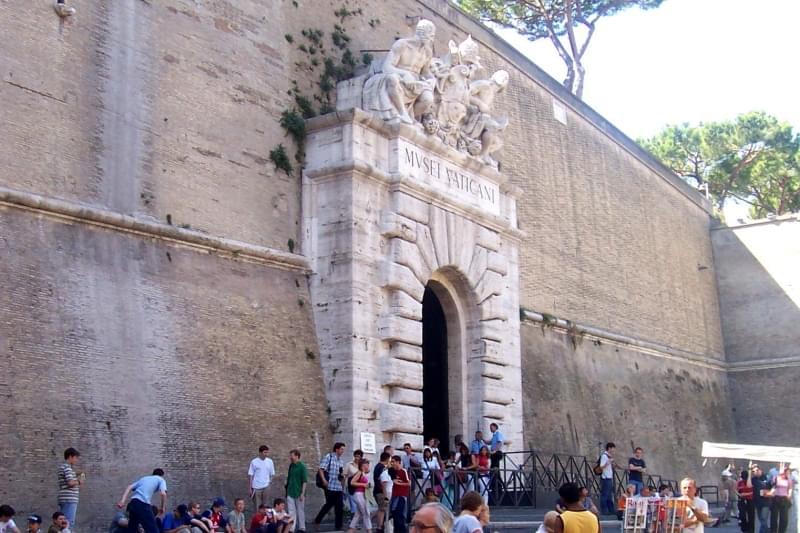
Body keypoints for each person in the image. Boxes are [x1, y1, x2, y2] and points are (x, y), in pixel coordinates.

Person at [362, 19, 436, 124]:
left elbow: (425, 72)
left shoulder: (427, 52)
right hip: (400, 77)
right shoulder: (402, 45)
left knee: (428, 99)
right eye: (431, 36)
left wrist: (432, 80)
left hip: (416, 84)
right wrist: (405, 74)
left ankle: (411, 117)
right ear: (422, 33)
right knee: (392, 79)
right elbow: (386, 67)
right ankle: (402, 113)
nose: (432, 40)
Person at [116, 468, 168, 533]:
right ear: (162, 475)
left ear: (153, 474)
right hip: (143, 504)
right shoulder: (161, 479)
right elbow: (163, 494)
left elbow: (129, 487)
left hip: (133, 503)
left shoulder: (144, 478)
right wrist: (162, 507)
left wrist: (122, 501)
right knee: (153, 530)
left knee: (132, 528)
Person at [313, 442, 346, 531]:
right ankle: (317, 521)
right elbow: (321, 469)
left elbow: (340, 473)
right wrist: (324, 481)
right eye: (342, 449)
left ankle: (338, 526)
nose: (343, 451)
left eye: (343, 449)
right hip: (329, 486)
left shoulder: (341, 461)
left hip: (338, 486)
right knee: (328, 505)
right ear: (337, 449)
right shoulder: (329, 457)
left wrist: (342, 478)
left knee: (339, 507)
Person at [58, 448, 83, 529]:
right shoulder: (67, 468)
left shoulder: (65, 468)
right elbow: (70, 482)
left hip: (66, 499)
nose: (76, 460)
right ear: (70, 456)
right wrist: (79, 481)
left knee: (64, 523)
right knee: (68, 523)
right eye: (76, 457)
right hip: (69, 499)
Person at [347, 459, 372, 533]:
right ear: (361, 465)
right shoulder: (359, 473)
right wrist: (364, 485)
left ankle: (351, 529)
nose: (367, 466)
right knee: (366, 513)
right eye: (365, 464)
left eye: (368, 464)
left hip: (362, 494)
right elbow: (352, 482)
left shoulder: (364, 473)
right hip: (358, 494)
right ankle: (369, 530)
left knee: (358, 514)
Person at [286, 450, 307, 533]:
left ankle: (302, 528)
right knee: (291, 511)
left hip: (299, 492)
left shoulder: (302, 466)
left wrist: (302, 493)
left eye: (292, 456)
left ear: (297, 456)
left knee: (300, 510)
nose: (290, 457)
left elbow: (304, 481)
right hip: (290, 491)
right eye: (290, 456)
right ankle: (291, 528)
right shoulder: (291, 465)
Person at [249, 446, 276, 511]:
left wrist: (269, 483)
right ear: (260, 453)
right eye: (265, 452)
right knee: (257, 506)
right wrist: (250, 488)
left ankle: (265, 520)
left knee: (265, 506)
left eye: (267, 452)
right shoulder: (254, 461)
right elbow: (251, 475)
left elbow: (272, 474)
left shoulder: (270, 461)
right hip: (256, 487)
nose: (266, 454)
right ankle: (258, 520)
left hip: (266, 486)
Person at [769, 466, 793, 533]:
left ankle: (782, 531)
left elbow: (790, 488)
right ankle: (773, 531)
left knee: (784, 518)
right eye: (785, 471)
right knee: (774, 517)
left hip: (784, 498)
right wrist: (778, 477)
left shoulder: (788, 479)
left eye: (787, 471)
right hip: (776, 497)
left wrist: (789, 495)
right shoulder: (776, 477)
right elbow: (773, 485)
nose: (786, 472)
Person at [390, 455, 411, 533]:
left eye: (393, 462)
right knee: (394, 513)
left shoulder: (403, 471)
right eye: (391, 462)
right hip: (394, 495)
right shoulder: (392, 471)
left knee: (399, 514)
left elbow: (408, 483)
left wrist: (398, 484)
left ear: (398, 462)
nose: (392, 463)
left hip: (401, 495)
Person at [373, 452, 392, 533]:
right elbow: (383, 482)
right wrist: (385, 495)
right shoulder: (382, 468)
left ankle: (379, 525)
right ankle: (379, 527)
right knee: (382, 510)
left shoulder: (377, 466)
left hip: (378, 491)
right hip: (381, 492)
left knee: (381, 510)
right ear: (387, 459)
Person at [751, 464, 771, 533]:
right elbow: (748, 485)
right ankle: (768, 530)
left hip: (766, 502)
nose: (755, 472)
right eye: (753, 471)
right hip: (757, 502)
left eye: (756, 470)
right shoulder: (753, 479)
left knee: (763, 518)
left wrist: (768, 492)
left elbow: (773, 487)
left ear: (760, 470)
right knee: (761, 520)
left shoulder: (767, 477)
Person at [598, 443, 616, 516]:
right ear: (609, 448)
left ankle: (611, 510)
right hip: (605, 478)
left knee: (609, 495)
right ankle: (604, 511)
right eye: (613, 448)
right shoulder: (604, 456)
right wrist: (608, 462)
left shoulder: (609, 456)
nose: (614, 450)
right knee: (605, 495)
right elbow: (601, 467)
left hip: (609, 477)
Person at [737, 469, 754, 533]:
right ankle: (744, 528)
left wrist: (745, 494)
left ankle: (751, 529)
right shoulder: (740, 482)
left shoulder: (750, 482)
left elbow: (751, 491)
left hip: (749, 499)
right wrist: (739, 494)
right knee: (742, 515)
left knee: (751, 515)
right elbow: (737, 489)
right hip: (742, 499)